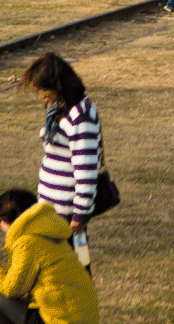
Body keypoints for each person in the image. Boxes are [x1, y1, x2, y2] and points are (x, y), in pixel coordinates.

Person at [0, 187, 100, 324]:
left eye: (0, 220)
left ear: (6, 221)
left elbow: (12, 289)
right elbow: (24, 289)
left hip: (63, 320)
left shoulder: (27, 242)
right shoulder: (49, 231)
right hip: (82, 316)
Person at [19, 51, 102, 245]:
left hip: (66, 215)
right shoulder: (60, 110)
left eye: (44, 90)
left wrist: (79, 216)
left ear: (58, 86)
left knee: (69, 271)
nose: (40, 96)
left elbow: (86, 171)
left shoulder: (81, 117)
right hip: (50, 210)